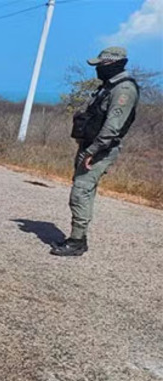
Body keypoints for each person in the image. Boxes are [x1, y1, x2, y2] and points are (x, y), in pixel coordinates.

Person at [51, 47, 139, 257]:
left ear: (113, 64)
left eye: (101, 64)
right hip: (92, 147)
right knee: (84, 191)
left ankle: (77, 241)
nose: (98, 68)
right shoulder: (108, 87)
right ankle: (78, 238)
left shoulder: (123, 90)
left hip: (100, 150)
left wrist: (92, 150)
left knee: (80, 192)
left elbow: (112, 127)